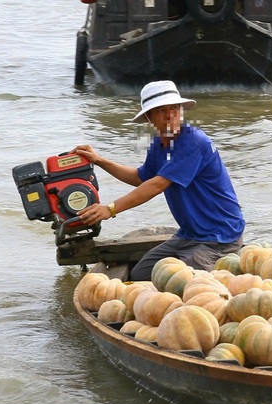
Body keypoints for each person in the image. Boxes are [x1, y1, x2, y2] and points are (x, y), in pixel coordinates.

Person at [74, 80, 245, 281]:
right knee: (140, 274)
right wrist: (100, 161)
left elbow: (156, 185)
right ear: (149, 117)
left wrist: (109, 209)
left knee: (186, 283)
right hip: (189, 235)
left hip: (219, 237)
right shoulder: (160, 144)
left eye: (174, 108)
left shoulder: (193, 141)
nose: (170, 115)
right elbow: (141, 178)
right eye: (161, 110)